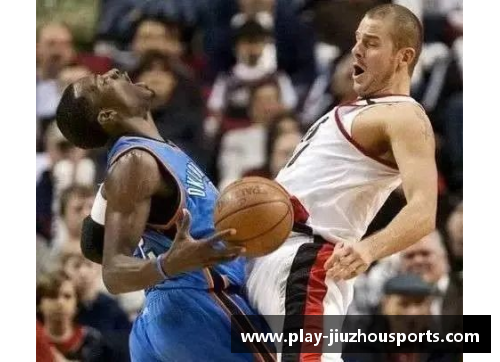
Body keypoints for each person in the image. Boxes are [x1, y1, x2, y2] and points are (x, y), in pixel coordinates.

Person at [246, 4, 438, 360]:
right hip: (272, 257)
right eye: (356, 40)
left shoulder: (404, 116)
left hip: (306, 263)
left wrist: (368, 250)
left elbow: (424, 211)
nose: (357, 49)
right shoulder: (355, 109)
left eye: (372, 42)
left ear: (403, 56)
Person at [55, 68, 274, 361]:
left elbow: (92, 242)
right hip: (198, 307)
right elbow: (113, 272)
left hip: (168, 316)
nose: (115, 71)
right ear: (107, 116)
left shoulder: (155, 153)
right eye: (102, 82)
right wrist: (168, 264)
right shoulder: (135, 162)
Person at [61, 251, 132, 361]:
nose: (83, 272)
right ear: (64, 270)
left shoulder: (111, 308)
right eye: (76, 266)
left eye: (88, 265)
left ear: (97, 270)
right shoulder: (57, 305)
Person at [36, 272, 111, 362]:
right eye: (52, 296)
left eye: (67, 296)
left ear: (77, 304)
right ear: (40, 303)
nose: (60, 303)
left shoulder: (93, 341)